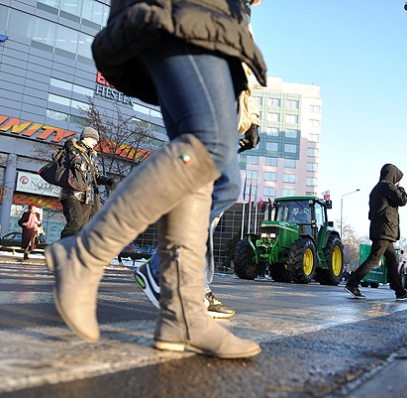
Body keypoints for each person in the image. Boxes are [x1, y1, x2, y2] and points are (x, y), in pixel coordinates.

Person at [45, 0, 267, 358]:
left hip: (215, 21)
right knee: (206, 145)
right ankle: (84, 255)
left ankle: (183, 315)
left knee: (204, 169)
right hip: (187, 8)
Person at [134, 0, 261, 319]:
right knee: (225, 186)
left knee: (210, 195)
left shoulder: (243, 14)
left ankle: (194, 285)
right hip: (204, 94)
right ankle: (161, 267)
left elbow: (244, 73)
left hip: (227, 105)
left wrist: (251, 119)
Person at [344, 164, 407, 301]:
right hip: (385, 229)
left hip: (381, 229)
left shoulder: (376, 189)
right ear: (392, 175)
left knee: (392, 261)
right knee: (374, 259)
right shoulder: (387, 187)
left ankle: (399, 291)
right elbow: (402, 200)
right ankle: (352, 283)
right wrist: (401, 188)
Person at [59, 127, 115, 239]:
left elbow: (96, 176)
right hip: (72, 192)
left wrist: (107, 180)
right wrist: (72, 154)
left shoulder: (92, 156)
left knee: (82, 229)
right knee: (76, 222)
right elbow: (68, 165)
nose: (96, 142)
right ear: (86, 137)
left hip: (87, 196)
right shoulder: (72, 149)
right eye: (94, 139)